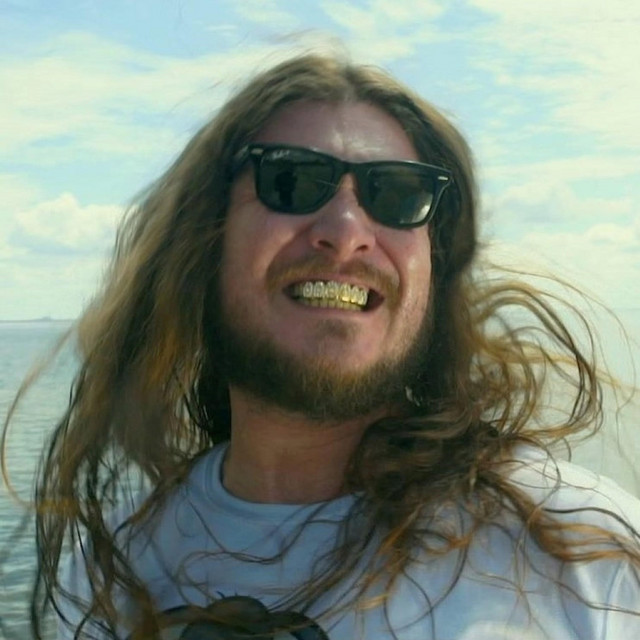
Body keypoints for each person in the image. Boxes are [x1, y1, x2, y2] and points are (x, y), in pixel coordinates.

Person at [7, 54, 640, 639]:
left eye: (398, 194)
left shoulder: (586, 556)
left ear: (434, 265)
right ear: (204, 239)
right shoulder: (112, 561)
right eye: (291, 180)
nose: (346, 231)